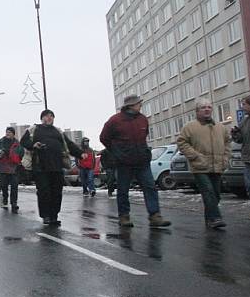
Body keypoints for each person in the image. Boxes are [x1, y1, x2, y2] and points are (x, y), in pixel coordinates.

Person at [100, 95, 171, 228]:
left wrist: (145, 152)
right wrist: (117, 152)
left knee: (150, 187)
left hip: (142, 161)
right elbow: (104, 138)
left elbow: (144, 136)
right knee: (123, 190)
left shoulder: (143, 119)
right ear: (131, 105)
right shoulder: (115, 120)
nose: (141, 105)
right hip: (124, 163)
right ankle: (124, 216)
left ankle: (155, 215)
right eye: (139, 103)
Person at [20, 109, 85, 225]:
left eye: (51, 116)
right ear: (42, 118)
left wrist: (80, 153)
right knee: (44, 191)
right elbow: (23, 141)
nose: (49, 118)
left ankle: (54, 216)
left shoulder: (58, 132)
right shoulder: (34, 129)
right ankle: (45, 215)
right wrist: (33, 145)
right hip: (40, 167)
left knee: (57, 192)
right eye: (46, 116)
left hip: (57, 166)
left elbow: (69, 144)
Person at [177, 98, 231, 229]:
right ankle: (215, 218)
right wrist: (194, 156)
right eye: (203, 107)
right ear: (197, 111)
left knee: (216, 194)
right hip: (200, 166)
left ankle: (210, 219)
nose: (207, 109)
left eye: (209, 107)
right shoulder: (190, 127)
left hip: (217, 166)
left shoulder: (220, 127)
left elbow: (227, 143)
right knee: (208, 191)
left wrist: (225, 158)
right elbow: (182, 142)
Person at [0, 127, 23, 212]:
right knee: (4, 186)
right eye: (7, 132)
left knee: (14, 187)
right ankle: (5, 198)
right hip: (3, 167)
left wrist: (18, 158)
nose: (8, 133)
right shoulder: (1, 141)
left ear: (13, 134)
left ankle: (14, 203)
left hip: (14, 167)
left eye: (9, 132)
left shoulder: (17, 143)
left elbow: (21, 152)